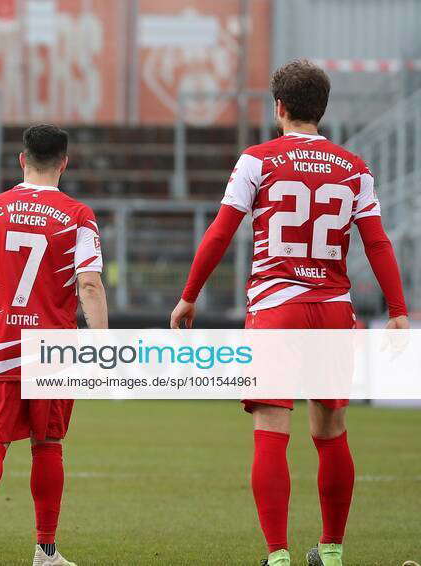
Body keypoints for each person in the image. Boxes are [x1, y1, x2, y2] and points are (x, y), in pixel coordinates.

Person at [170, 59, 409, 566]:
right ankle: (332, 549)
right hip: (332, 311)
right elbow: (378, 243)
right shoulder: (354, 167)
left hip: (277, 308)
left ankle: (277, 555)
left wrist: (190, 294)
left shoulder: (257, 160)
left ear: (278, 106)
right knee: (331, 431)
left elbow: (221, 230)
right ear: (322, 110)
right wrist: (398, 309)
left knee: (271, 431)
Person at [0, 124, 108, 566]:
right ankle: (45, 550)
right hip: (54, 349)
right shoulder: (78, 216)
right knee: (48, 443)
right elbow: (90, 285)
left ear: (22, 160)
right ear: (64, 162)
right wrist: (101, 346)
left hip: (2, 340)